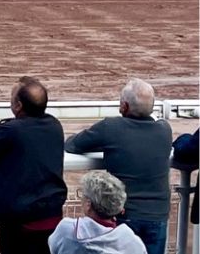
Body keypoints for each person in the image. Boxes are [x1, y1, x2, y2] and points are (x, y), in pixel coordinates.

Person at [64, 79, 173, 254]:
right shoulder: (164, 129)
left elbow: (73, 144)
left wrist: (105, 144)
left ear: (124, 106)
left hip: (125, 215)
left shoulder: (111, 127)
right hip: (157, 216)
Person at [0, 77, 67, 253]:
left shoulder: (12, 130)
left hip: (20, 222)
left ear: (18, 106)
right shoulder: (54, 125)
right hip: (52, 215)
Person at [49, 171, 146, 254]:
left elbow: (53, 248)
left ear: (88, 205)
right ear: (120, 209)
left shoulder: (67, 231)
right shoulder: (134, 244)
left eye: (82, 195)